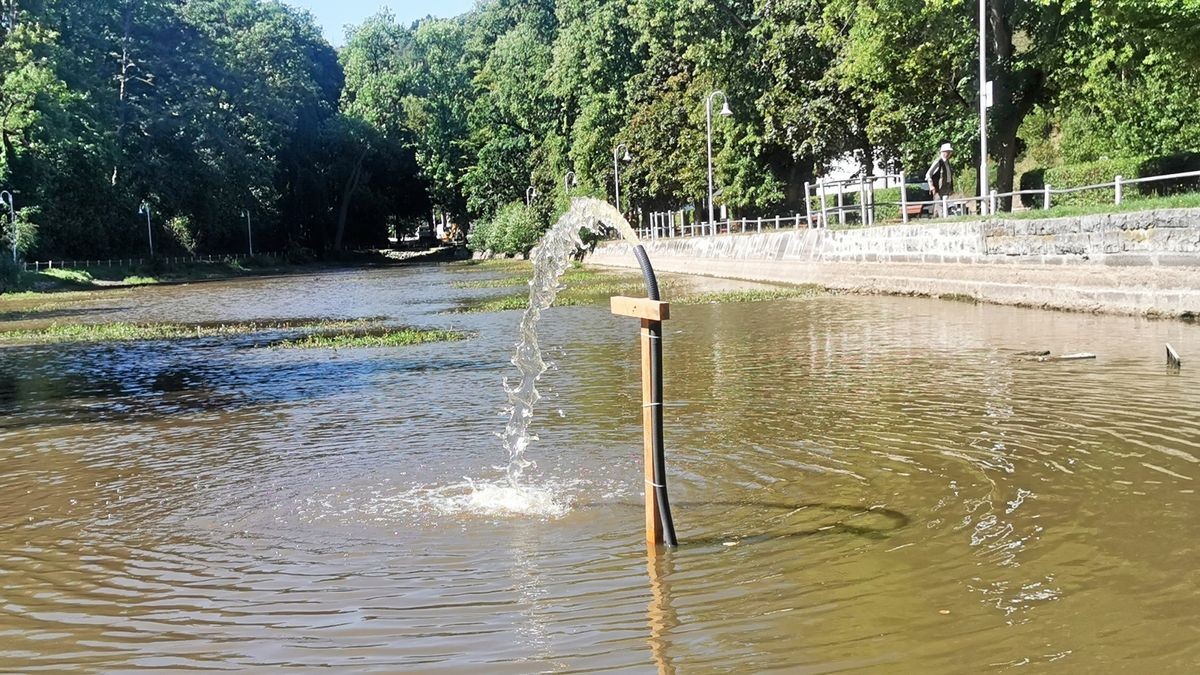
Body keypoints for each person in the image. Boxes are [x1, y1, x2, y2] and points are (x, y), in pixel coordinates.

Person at [926, 142, 954, 215]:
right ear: (943, 152)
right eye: (948, 152)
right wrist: (931, 186)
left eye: (950, 152)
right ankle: (942, 217)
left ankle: (936, 217)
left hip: (946, 186)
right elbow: (928, 174)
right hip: (939, 187)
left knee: (943, 203)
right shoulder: (938, 161)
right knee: (939, 203)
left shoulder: (947, 162)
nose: (949, 154)